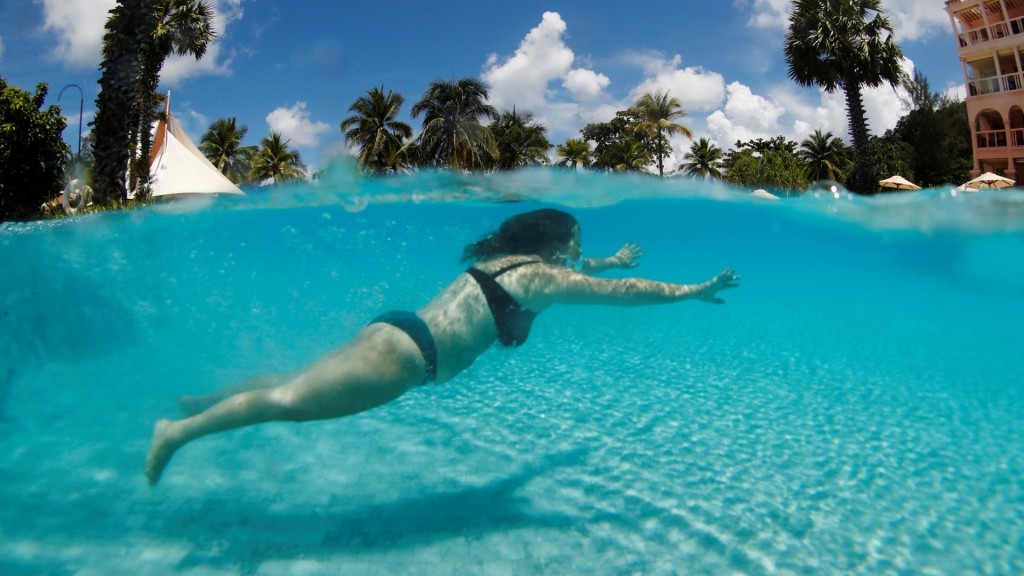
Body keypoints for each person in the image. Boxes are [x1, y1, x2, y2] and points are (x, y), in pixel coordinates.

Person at [145, 209, 740, 485]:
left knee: (293, 381)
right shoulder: (542, 277)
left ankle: (204, 401)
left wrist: (604, 259)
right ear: (557, 246)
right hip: (405, 358)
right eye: (578, 246)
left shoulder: (508, 261)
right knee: (291, 402)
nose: (580, 257)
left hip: (396, 330)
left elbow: (586, 269)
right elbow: (624, 293)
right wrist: (692, 291)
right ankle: (175, 432)